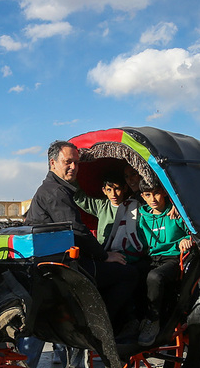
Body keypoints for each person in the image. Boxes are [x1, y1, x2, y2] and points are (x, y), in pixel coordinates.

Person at [25, 140, 140, 331]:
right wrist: (104, 256)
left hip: (55, 262)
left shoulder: (53, 188)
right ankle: (103, 326)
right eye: (68, 162)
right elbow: (77, 230)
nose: (73, 167)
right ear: (53, 163)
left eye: (76, 163)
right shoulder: (56, 191)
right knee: (129, 274)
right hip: (63, 265)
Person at [129, 184, 195, 345]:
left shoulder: (175, 213)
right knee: (130, 273)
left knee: (154, 276)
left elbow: (193, 233)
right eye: (147, 195)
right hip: (151, 257)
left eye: (156, 193)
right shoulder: (142, 216)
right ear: (142, 196)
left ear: (164, 193)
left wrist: (186, 239)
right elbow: (138, 242)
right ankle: (134, 319)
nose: (153, 199)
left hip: (174, 258)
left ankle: (153, 321)